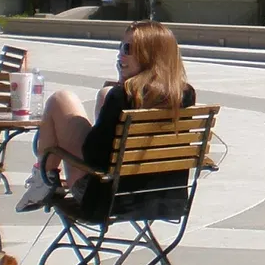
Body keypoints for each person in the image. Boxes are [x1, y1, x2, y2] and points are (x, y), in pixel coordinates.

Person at [16, 20, 197, 212]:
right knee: (104, 93)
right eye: (120, 47)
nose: (120, 54)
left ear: (149, 55)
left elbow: (94, 156)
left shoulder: (121, 96)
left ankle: (43, 179)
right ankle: (44, 180)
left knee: (61, 99)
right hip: (164, 197)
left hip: (105, 199)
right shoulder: (184, 94)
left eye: (127, 49)